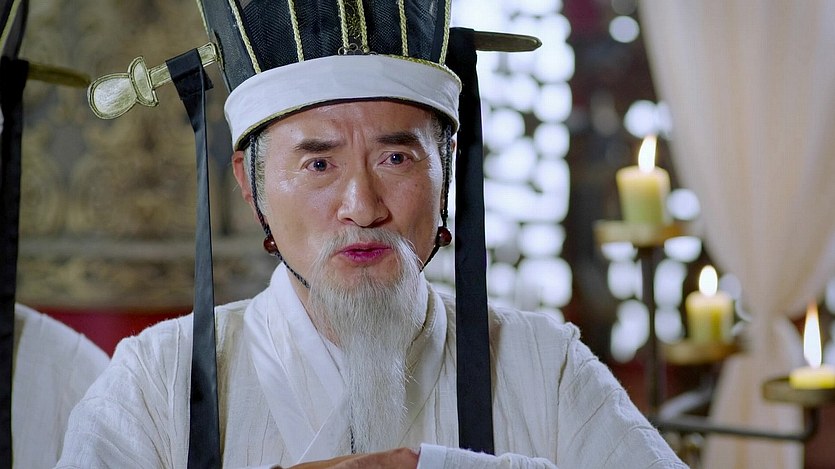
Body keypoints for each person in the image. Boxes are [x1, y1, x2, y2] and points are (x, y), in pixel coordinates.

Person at [57, 1, 687, 468]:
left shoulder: (542, 364)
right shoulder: (157, 378)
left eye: (396, 158)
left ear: (446, 170)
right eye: (318, 164)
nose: (362, 208)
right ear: (251, 185)